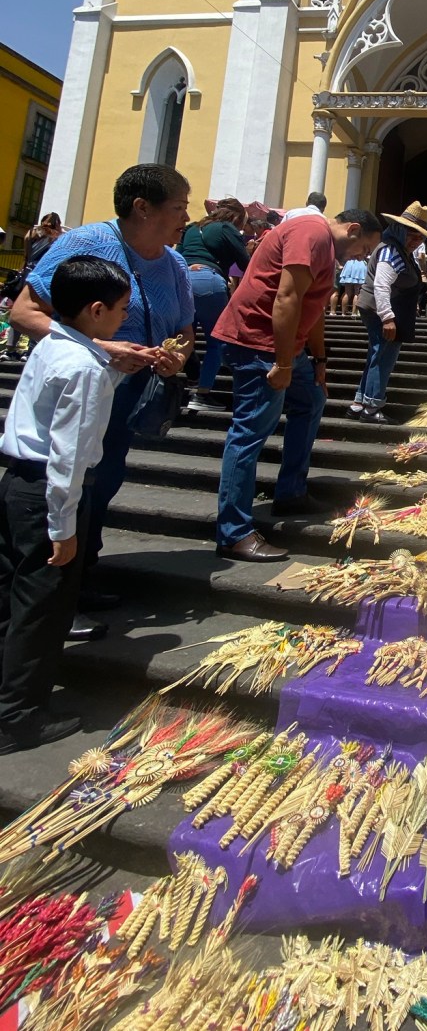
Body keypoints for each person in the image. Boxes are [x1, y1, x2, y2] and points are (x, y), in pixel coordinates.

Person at [11, 165, 194, 635]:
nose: (186, 218)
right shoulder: (85, 243)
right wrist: (99, 348)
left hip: (131, 397)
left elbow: (185, 331)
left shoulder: (174, 263)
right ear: (142, 208)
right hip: (79, 391)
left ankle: (78, 579)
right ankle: (50, 596)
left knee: (102, 484)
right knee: (74, 484)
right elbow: (24, 311)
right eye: (179, 207)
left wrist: (176, 355)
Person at [0, 256, 131, 752]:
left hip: (16, 482)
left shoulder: (55, 344)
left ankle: (7, 697)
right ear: (96, 310)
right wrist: (63, 525)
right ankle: (19, 717)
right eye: (120, 309)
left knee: (10, 597)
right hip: (48, 494)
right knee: (42, 606)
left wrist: (115, 370)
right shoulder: (83, 367)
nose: (124, 318)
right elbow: (69, 455)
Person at [213, 207, 381, 561]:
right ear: (352, 229)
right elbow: (287, 297)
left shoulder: (325, 247)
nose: (362, 257)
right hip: (259, 343)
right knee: (250, 431)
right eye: (365, 248)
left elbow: (313, 307)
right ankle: (234, 532)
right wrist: (283, 362)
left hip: (289, 346)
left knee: (311, 400)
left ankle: (290, 492)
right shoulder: (312, 233)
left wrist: (318, 361)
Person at [353, 203, 427, 421]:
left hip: (385, 310)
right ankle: (371, 406)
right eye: (411, 234)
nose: (415, 240)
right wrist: (387, 317)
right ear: (399, 229)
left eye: (419, 237)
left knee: (376, 355)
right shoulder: (391, 250)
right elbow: (381, 285)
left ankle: (360, 403)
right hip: (382, 312)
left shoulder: (399, 250)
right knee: (383, 358)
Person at [178, 197, 250, 412]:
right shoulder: (225, 228)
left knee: (183, 337)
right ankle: (202, 392)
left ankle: (180, 380)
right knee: (216, 342)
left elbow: (178, 255)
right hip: (209, 281)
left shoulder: (191, 229)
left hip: (182, 281)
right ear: (236, 217)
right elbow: (245, 262)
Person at [2, 213, 64, 360]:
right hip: (43, 277)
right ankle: (31, 350)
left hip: (27, 275)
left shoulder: (30, 233)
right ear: (57, 224)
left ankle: (10, 349)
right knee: (38, 313)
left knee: (19, 311)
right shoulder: (57, 238)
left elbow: (26, 257)